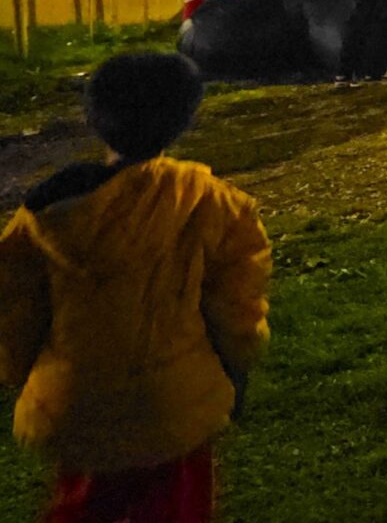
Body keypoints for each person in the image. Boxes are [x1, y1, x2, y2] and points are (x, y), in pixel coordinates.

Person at [0, 53, 270, 523]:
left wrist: (28, 375)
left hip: (76, 405)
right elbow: (237, 311)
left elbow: (13, 312)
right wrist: (236, 365)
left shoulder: (46, 213)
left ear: (94, 117)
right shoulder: (212, 205)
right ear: (186, 118)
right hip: (174, 408)